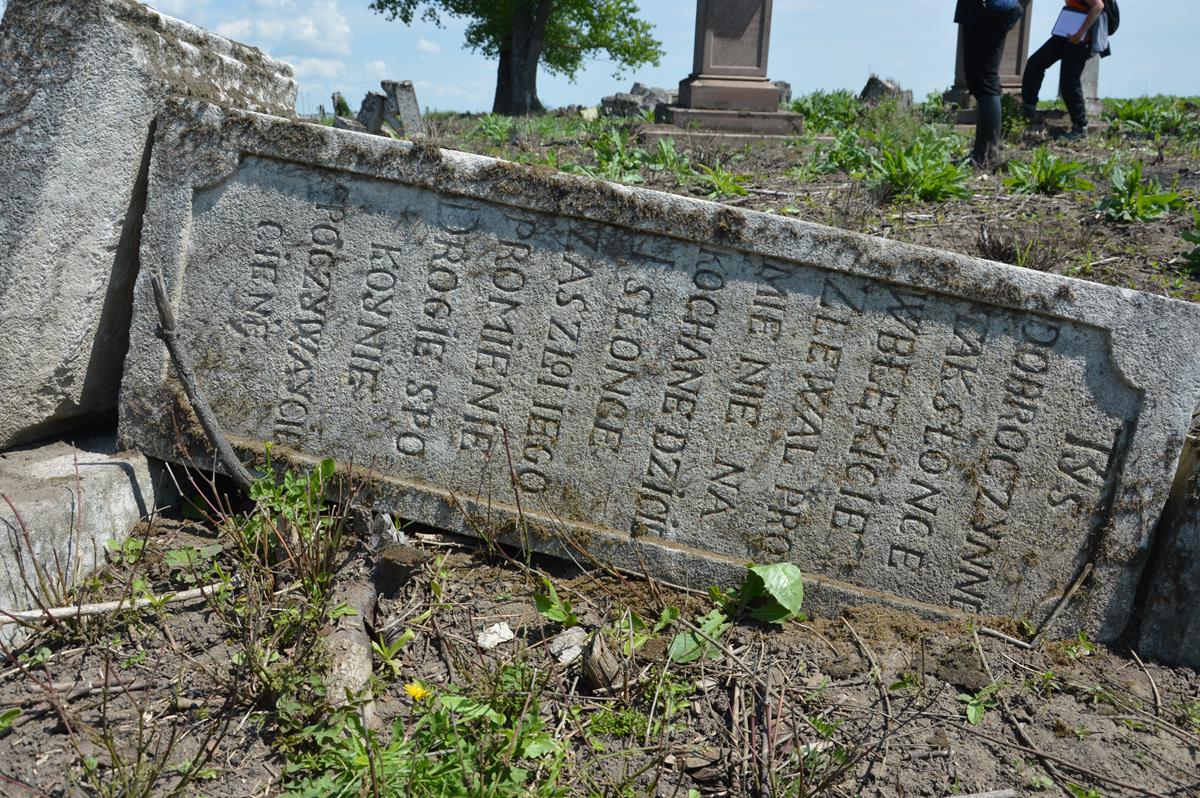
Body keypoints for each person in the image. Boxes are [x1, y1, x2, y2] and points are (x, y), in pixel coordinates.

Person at [1021, 0, 1110, 139]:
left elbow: (1098, 6)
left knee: (1069, 80)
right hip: (1066, 33)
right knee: (1035, 63)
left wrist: (1080, 33)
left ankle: (1080, 127)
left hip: (1081, 39)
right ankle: (1028, 109)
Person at [955, 0, 1027, 168]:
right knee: (979, 82)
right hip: (980, 10)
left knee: (986, 80)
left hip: (986, 12)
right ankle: (980, 151)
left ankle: (987, 154)